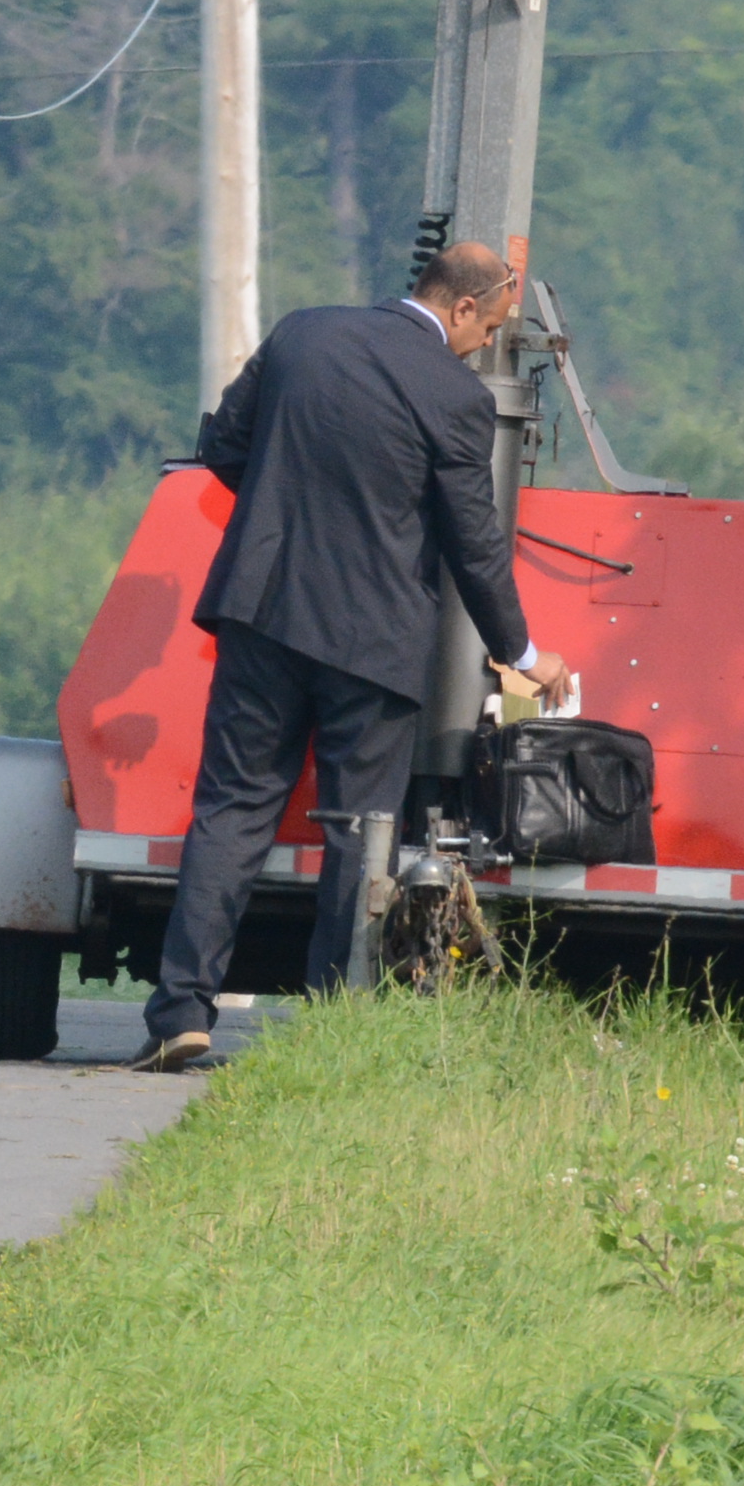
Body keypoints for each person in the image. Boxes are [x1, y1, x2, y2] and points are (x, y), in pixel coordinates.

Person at [136, 240, 572, 1073]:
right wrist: (522, 652)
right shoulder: (455, 395)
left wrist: (288, 510)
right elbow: (474, 542)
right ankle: (327, 1033)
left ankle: (180, 1015)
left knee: (231, 812)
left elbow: (223, 444)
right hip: (373, 640)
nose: (484, 345)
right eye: (488, 329)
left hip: (263, 612)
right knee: (356, 834)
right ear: (461, 307)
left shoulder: (303, 334)